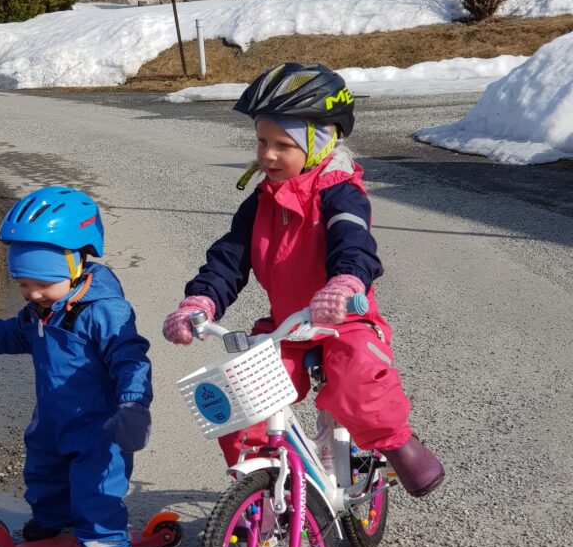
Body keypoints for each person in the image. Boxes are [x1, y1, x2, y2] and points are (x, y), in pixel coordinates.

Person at [163, 62, 444, 497]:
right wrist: (200, 301)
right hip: (287, 327)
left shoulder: (340, 192)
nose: (267, 155)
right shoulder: (260, 203)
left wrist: (346, 282)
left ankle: (398, 442)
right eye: (261, 141)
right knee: (241, 395)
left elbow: (354, 240)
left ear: (319, 145)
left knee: (359, 379)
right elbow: (228, 260)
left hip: (342, 319)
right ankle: (260, 489)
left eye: (282, 144)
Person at [0, 186, 152, 547]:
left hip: (99, 426)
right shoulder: (42, 309)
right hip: (53, 417)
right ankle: (54, 518)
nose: (32, 294)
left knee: (96, 491)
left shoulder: (102, 311)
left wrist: (134, 403)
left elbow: (131, 359)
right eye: (23, 285)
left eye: (42, 284)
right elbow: (18, 333)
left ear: (76, 264)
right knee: (43, 473)